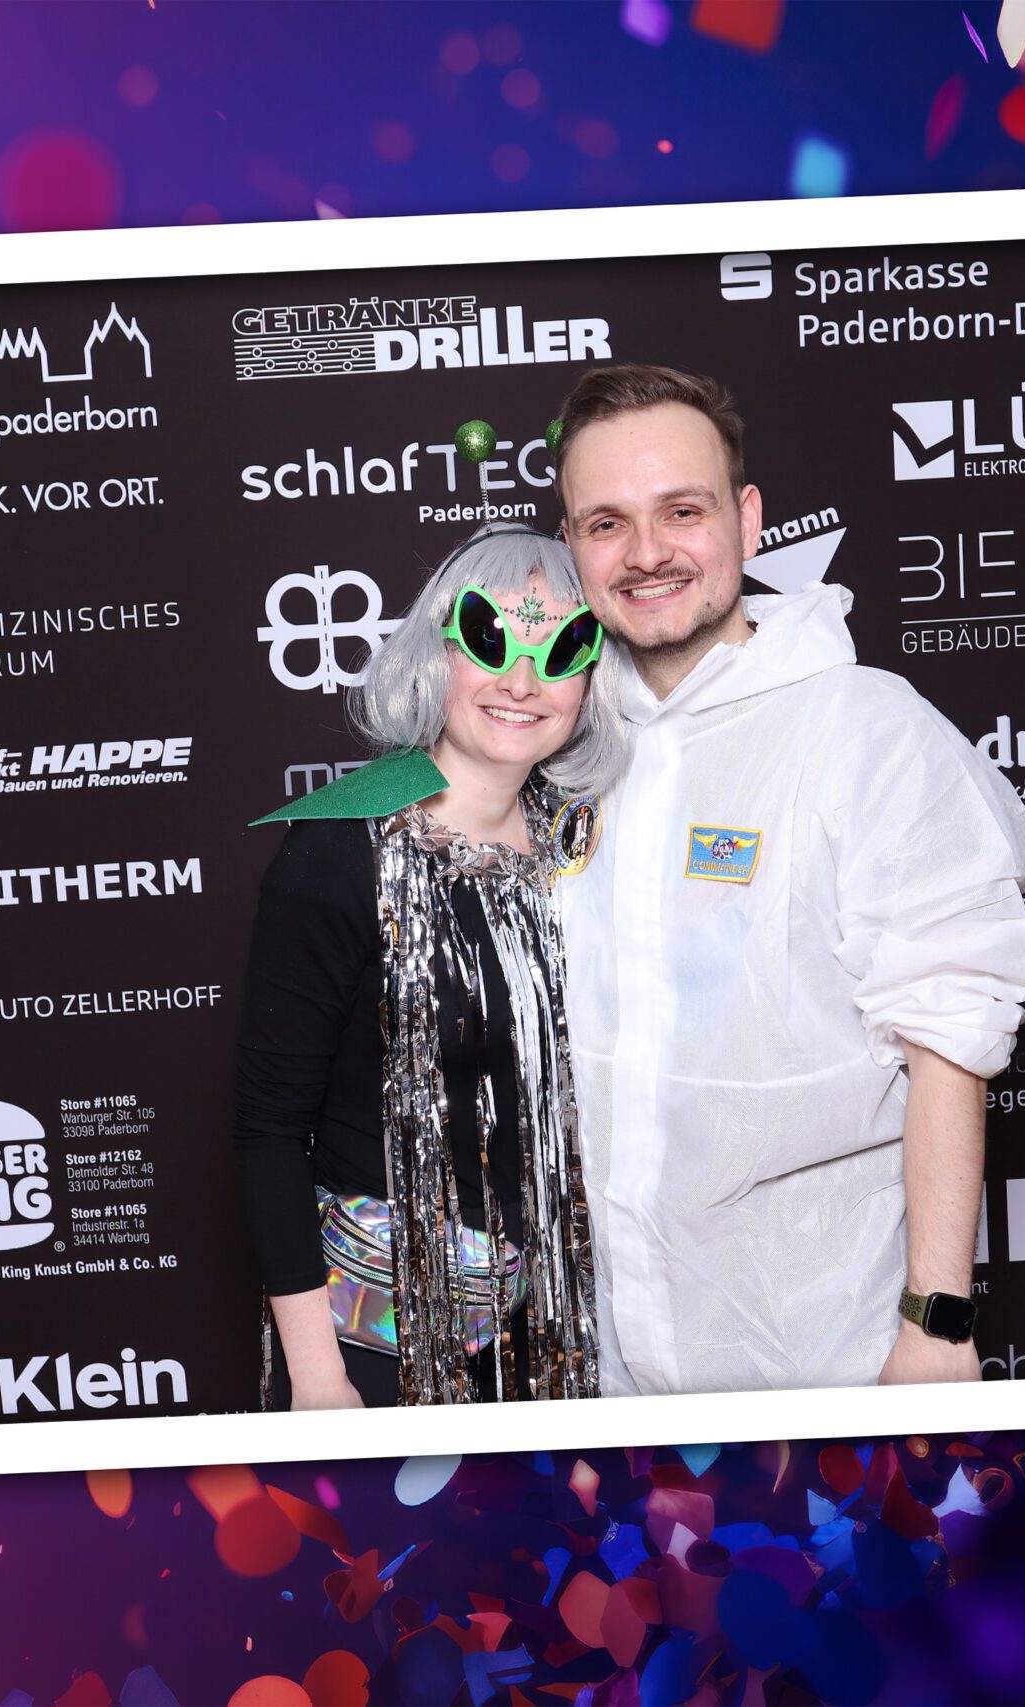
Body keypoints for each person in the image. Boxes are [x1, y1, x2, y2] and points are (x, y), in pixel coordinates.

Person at [550, 363, 1025, 1396]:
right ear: (572, 548)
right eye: (606, 523)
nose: (646, 553)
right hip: (601, 1378)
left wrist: (937, 1324)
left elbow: (951, 1036)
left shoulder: (865, 730)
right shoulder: (559, 745)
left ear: (748, 519)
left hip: (827, 1359)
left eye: (682, 511)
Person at [231, 522, 619, 1409]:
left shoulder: (587, 850)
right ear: (436, 652)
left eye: (561, 650)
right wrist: (318, 1375)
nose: (522, 682)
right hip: (371, 1344)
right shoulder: (337, 852)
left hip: (551, 1338)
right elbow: (267, 1132)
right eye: (489, 640)